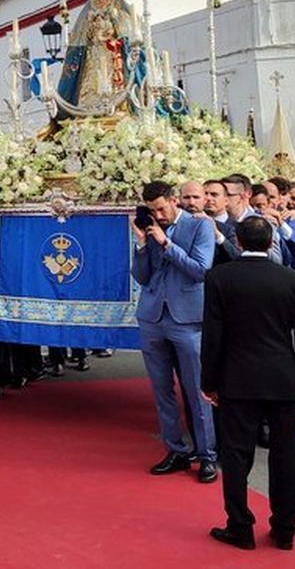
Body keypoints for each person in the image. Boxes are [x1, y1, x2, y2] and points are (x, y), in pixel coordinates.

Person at [200, 217, 295, 551]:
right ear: (271, 242)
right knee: (286, 456)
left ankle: (240, 525)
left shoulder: (220, 277)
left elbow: (213, 334)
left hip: (237, 379)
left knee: (236, 456)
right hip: (284, 380)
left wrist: (209, 380)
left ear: (237, 240)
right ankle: (285, 529)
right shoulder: (294, 280)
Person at [132, 179, 219, 483]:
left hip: (187, 319)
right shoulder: (152, 228)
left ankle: (207, 455)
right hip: (153, 317)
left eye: (161, 208)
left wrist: (167, 244)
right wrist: (143, 245)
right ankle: (176, 450)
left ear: (173, 201)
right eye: (152, 210)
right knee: (161, 390)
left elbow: (200, 270)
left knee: (196, 390)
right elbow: (142, 277)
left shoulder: (200, 227)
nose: (158, 215)